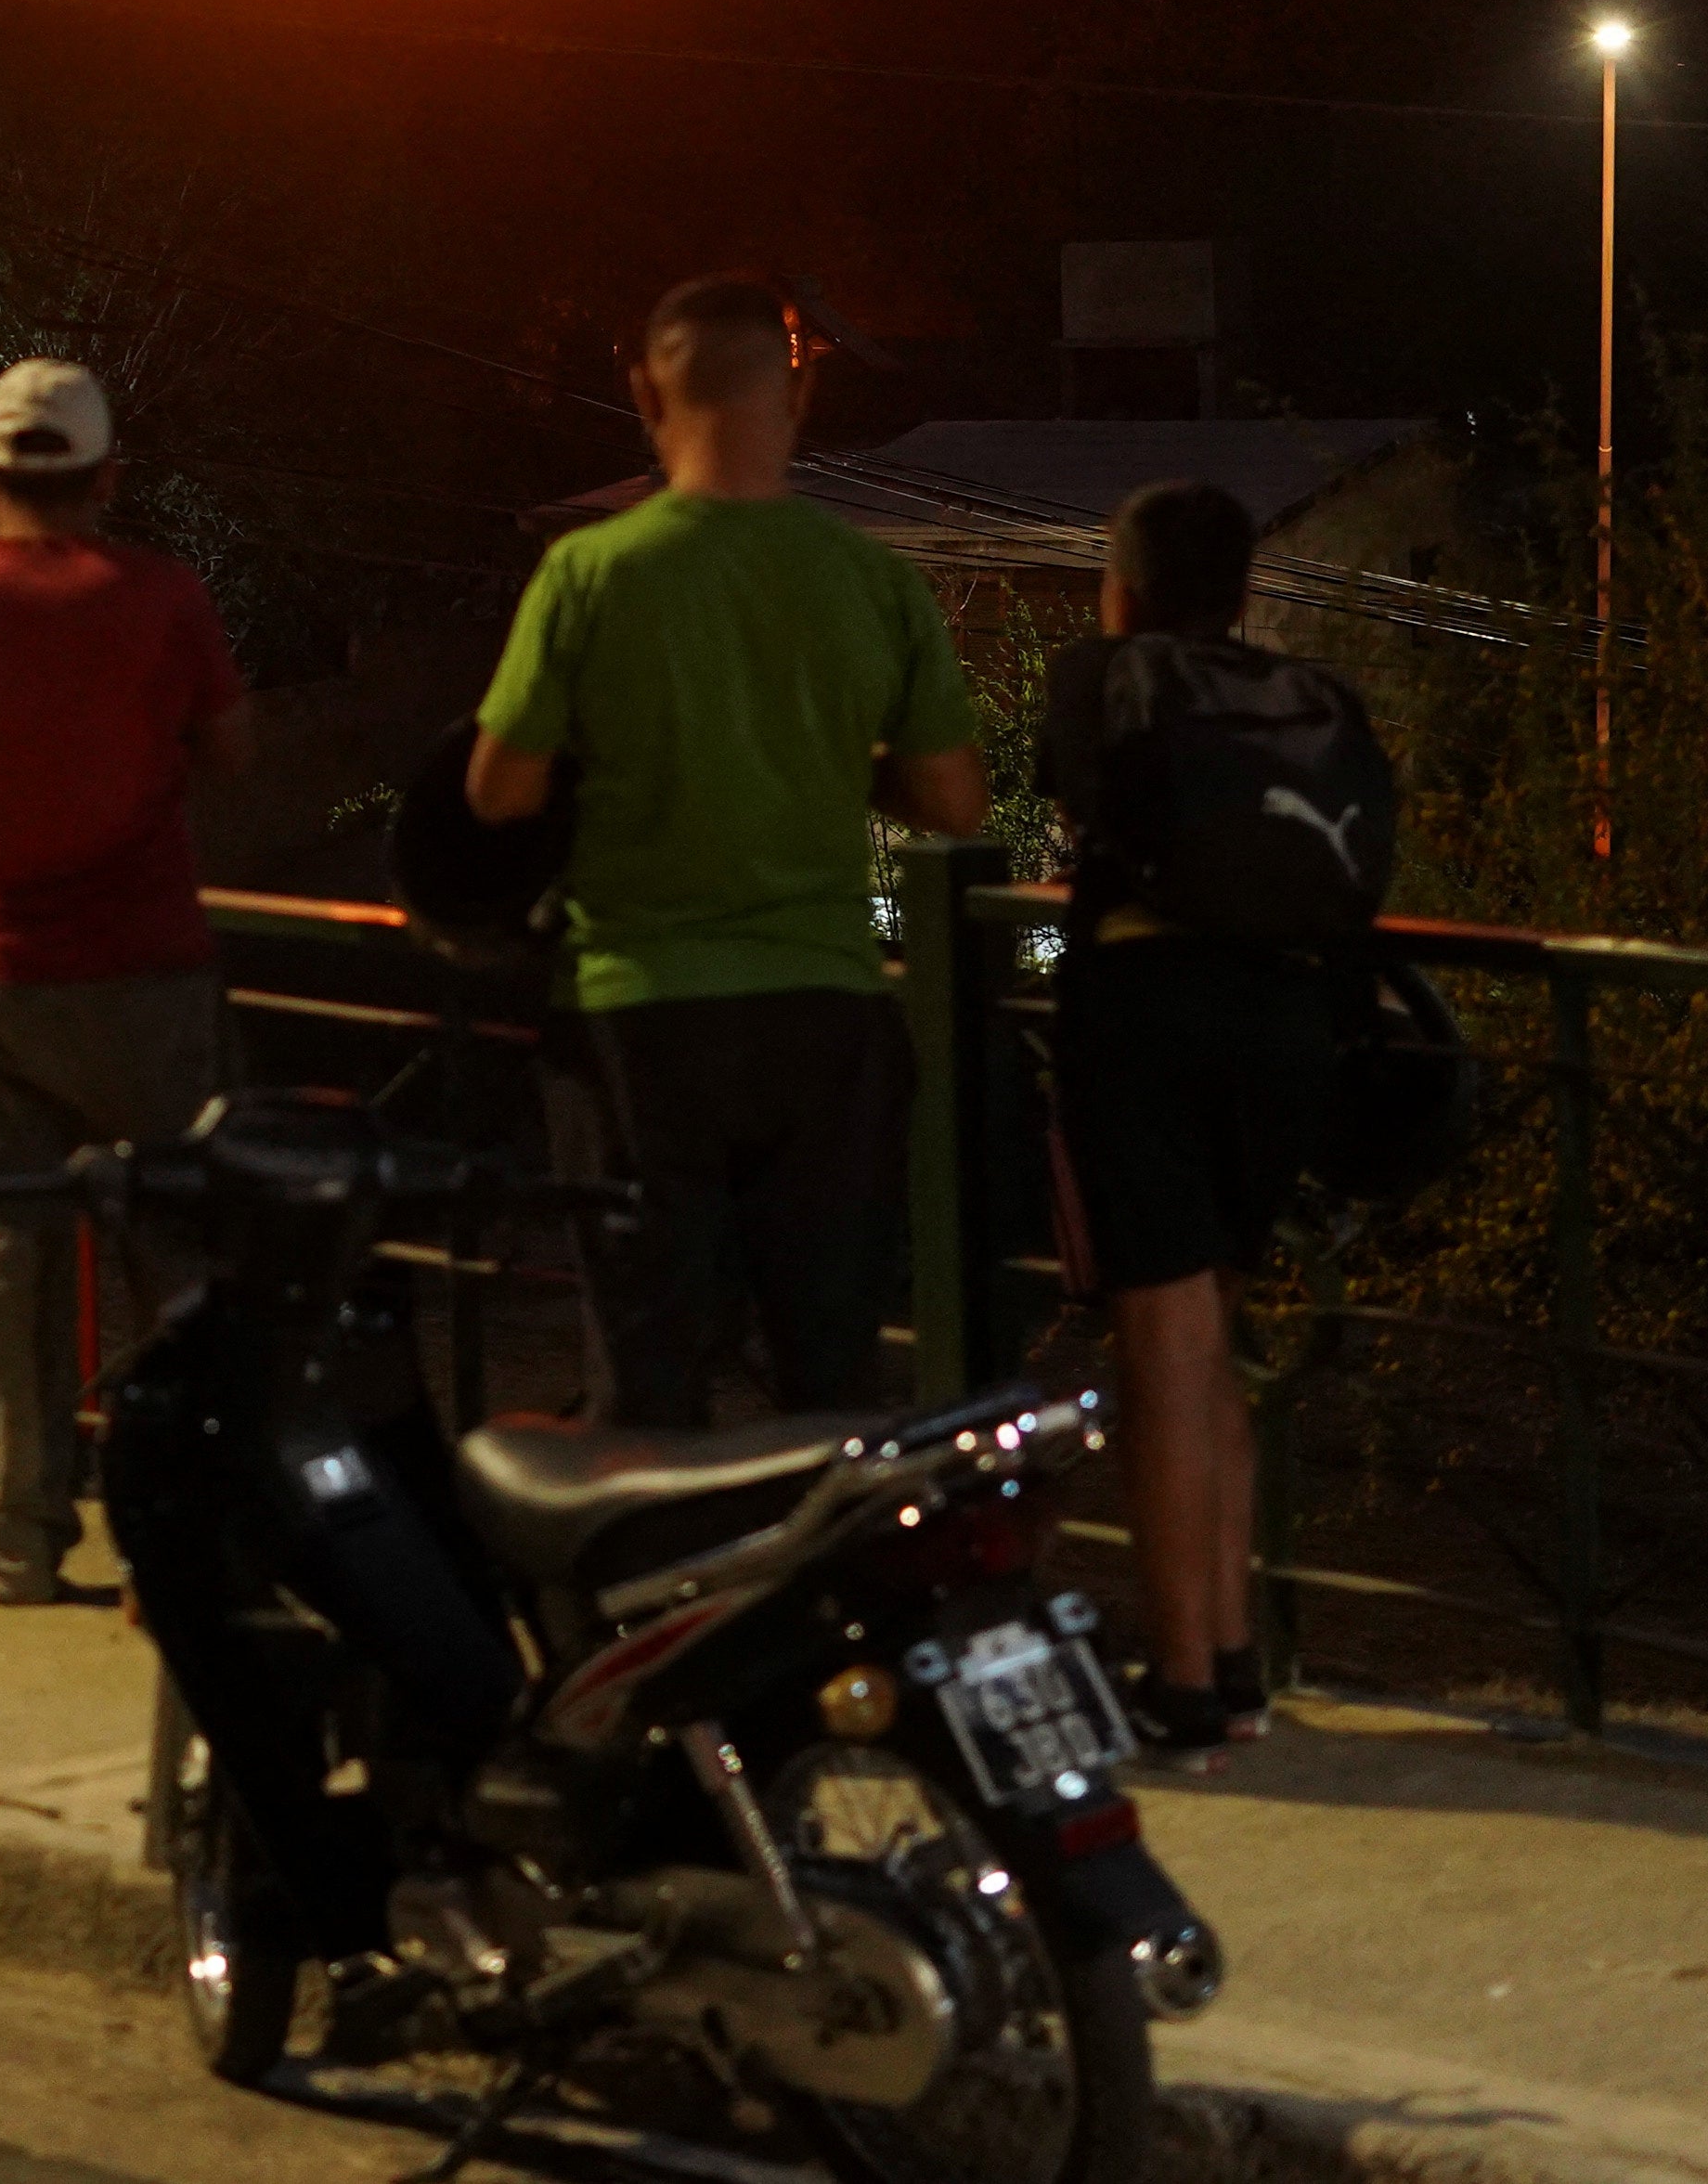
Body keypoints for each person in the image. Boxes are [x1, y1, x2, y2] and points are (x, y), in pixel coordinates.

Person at [467, 275, 984, 1426]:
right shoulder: (873, 579)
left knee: (648, 1375)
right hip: (824, 1014)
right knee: (828, 1368)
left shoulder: (592, 572)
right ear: (796, 395)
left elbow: (498, 790)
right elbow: (954, 801)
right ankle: (822, 1592)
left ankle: (670, 1589)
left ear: (649, 392)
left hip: (638, 1019)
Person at [0, 358, 248, 1607]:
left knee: (5, 1262)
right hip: (147, 974)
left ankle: (19, 1530)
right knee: (176, 1262)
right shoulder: (160, 598)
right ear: (105, 476)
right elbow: (232, 752)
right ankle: (175, 1537)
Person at [1036, 477, 1362, 1760]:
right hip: (1285, 1023)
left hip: (1147, 1010)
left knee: (1161, 1345)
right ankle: (1228, 1660)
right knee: (1210, 1332)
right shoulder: (1304, 693)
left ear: (1122, 585)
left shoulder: (1101, 671)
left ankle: (1177, 1687)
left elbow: (1073, 791)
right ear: (1241, 592)